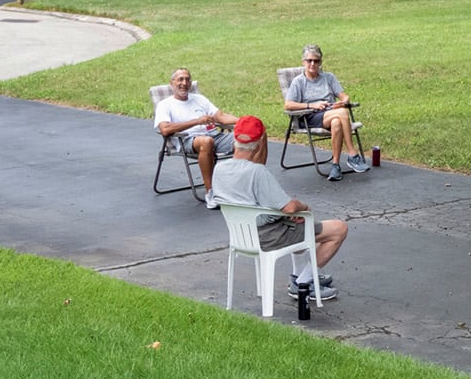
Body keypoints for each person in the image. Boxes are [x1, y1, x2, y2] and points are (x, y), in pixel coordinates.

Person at [210, 115, 348, 301]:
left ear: (234, 138)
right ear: (259, 143)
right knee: (338, 229)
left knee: (296, 222)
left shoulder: (219, 168)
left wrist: (285, 215)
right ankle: (304, 283)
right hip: (268, 237)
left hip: (241, 236)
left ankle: (298, 276)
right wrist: (304, 207)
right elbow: (290, 207)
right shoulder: (257, 172)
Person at [155, 67, 268, 209]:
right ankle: (211, 193)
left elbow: (220, 117)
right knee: (206, 141)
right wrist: (197, 121)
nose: (184, 82)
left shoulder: (199, 99)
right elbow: (165, 129)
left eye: (187, 79)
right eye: (180, 79)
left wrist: (247, 121)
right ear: (172, 83)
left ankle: (253, 183)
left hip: (215, 135)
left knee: (257, 135)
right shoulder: (165, 105)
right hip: (188, 139)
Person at [283, 44, 368, 181]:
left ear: (320, 62)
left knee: (336, 122)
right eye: (309, 60)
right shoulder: (298, 82)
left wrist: (344, 101)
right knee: (342, 113)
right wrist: (312, 105)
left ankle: (335, 166)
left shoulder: (329, 77)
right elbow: (288, 104)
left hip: (331, 114)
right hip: (310, 116)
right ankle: (352, 154)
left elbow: (344, 96)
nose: (312, 64)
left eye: (316, 61)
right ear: (303, 62)